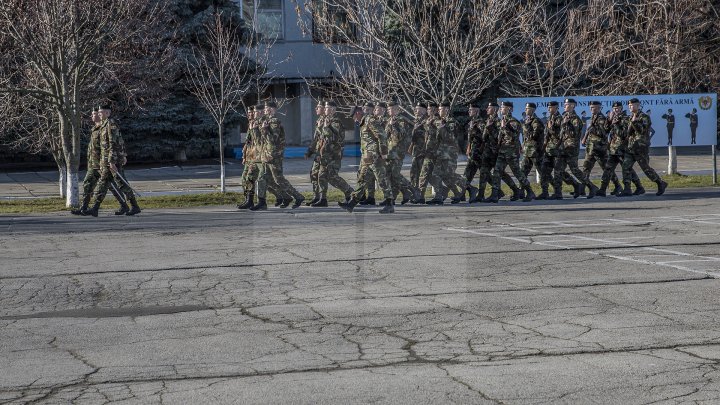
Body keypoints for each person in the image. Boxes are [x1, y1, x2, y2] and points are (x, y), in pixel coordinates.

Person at [86, 103, 141, 217]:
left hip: (112, 161)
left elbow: (113, 143)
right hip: (106, 161)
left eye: (101, 113)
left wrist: (112, 161)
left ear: (107, 113)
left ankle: (134, 206)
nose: (99, 114)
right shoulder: (104, 125)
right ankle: (95, 208)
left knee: (120, 183)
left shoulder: (110, 124)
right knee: (104, 183)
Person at [72, 107, 128, 216]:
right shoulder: (95, 129)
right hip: (94, 164)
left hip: (103, 163)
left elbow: (112, 144)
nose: (92, 116)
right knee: (87, 184)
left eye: (94, 114)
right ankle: (84, 207)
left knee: (111, 186)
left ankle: (124, 205)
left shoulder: (105, 127)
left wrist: (115, 159)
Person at [340, 102, 394, 213]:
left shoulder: (370, 120)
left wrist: (384, 152)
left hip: (374, 156)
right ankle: (351, 204)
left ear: (358, 113)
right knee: (362, 178)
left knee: (381, 179)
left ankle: (390, 204)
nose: (354, 120)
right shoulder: (363, 122)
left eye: (354, 117)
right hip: (367, 156)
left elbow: (382, 135)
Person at [252, 101, 305, 210]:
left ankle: (298, 197)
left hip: (274, 156)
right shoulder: (266, 121)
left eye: (267, 108)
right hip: (266, 156)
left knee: (278, 179)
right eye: (265, 108)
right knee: (263, 179)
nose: (265, 110)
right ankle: (262, 202)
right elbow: (259, 141)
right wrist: (255, 130)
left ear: (272, 109)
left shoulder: (274, 122)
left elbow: (272, 140)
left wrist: (264, 129)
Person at [487, 101, 534, 203]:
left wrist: (505, 127)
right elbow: (498, 136)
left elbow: (514, 136)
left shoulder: (514, 122)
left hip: (511, 151)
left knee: (517, 173)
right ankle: (494, 194)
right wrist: (490, 127)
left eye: (503, 107)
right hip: (502, 151)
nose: (501, 109)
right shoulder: (501, 121)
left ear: (509, 109)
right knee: (497, 172)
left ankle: (529, 191)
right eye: (501, 107)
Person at [620, 98, 667, 197]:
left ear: (638, 105)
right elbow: (628, 133)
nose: (630, 107)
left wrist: (634, 122)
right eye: (629, 106)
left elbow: (642, 131)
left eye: (632, 105)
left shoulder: (644, 117)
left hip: (641, 148)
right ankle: (627, 189)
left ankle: (660, 183)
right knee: (626, 167)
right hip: (631, 147)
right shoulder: (630, 117)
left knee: (646, 168)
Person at [553, 98, 598, 199]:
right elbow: (561, 134)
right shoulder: (564, 116)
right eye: (564, 104)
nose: (565, 106)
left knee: (575, 170)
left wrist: (566, 124)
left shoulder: (576, 119)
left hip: (571, 148)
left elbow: (574, 134)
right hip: (563, 148)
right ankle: (558, 193)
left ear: (573, 106)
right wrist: (558, 145)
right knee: (558, 170)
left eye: (567, 104)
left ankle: (591, 187)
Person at [314, 101, 354, 206]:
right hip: (325, 154)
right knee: (321, 175)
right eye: (325, 107)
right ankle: (323, 199)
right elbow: (321, 138)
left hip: (333, 154)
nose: (325, 109)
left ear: (333, 110)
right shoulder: (325, 120)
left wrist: (325, 127)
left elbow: (333, 138)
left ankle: (349, 192)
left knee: (332, 176)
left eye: (327, 107)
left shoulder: (336, 122)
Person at [580, 101, 622, 194]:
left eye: (593, 107)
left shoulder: (601, 118)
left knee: (607, 169)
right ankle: (582, 189)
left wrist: (592, 130)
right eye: (591, 107)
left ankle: (617, 186)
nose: (591, 109)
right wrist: (585, 138)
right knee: (586, 169)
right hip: (591, 148)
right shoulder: (593, 117)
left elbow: (604, 133)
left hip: (599, 150)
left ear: (599, 108)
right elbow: (590, 129)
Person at [384, 100, 420, 205]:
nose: (388, 111)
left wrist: (393, 126)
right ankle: (403, 194)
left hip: (398, 152)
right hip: (389, 152)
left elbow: (400, 136)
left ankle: (413, 190)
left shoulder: (401, 120)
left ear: (397, 109)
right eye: (388, 109)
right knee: (390, 175)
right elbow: (386, 136)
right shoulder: (390, 120)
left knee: (395, 175)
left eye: (390, 109)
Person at [304, 101, 326, 205]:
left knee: (323, 176)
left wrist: (323, 127)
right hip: (318, 153)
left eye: (318, 107)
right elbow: (316, 139)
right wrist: (309, 151)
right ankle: (316, 197)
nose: (316, 109)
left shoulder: (328, 121)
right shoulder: (319, 121)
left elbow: (329, 138)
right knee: (313, 174)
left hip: (326, 154)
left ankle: (323, 199)